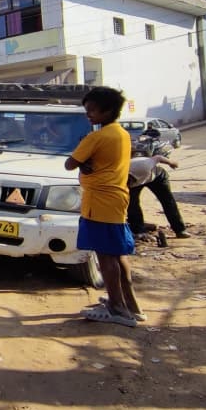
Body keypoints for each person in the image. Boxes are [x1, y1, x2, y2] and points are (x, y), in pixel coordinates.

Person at [64, 87, 142, 327]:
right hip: (116, 200)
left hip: (99, 202)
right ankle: (130, 304)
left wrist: (82, 160)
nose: (88, 115)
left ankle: (117, 308)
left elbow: (69, 163)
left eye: (92, 110)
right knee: (117, 254)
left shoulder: (96, 137)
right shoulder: (121, 134)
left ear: (107, 110)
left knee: (105, 257)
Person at [128, 155, 189, 239]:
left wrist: (172, 162)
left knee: (168, 201)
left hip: (157, 177)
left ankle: (180, 230)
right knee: (132, 205)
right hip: (137, 182)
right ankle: (139, 232)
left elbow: (158, 158)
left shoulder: (142, 166)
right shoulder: (120, 180)